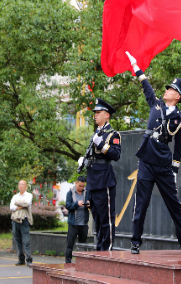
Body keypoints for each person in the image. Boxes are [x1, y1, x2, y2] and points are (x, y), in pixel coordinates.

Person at [124, 51, 181, 255]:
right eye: (167, 88)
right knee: (141, 203)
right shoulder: (156, 104)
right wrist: (136, 66)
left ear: (177, 96)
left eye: (171, 89)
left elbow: (179, 146)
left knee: (174, 204)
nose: (166, 90)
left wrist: (174, 170)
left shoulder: (180, 118)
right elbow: (145, 85)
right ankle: (135, 242)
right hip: (147, 161)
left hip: (164, 164)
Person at [78, 98, 121, 252]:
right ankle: (100, 247)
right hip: (93, 180)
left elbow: (116, 155)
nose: (95, 115)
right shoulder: (97, 133)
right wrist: (84, 161)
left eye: (99, 112)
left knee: (106, 217)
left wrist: (101, 144)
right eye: (95, 112)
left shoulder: (112, 134)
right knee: (97, 217)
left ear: (107, 115)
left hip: (104, 180)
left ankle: (107, 248)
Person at [64, 176, 91, 263]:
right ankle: (68, 262)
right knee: (70, 245)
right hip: (73, 224)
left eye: (83, 186)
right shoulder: (70, 193)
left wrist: (89, 204)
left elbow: (92, 203)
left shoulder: (87, 192)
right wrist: (76, 204)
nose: (81, 188)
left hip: (84, 223)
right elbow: (68, 206)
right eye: (80, 186)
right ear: (76, 183)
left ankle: (81, 263)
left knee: (82, 245)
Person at [10, 180, 34, 266]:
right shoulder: (15, 196)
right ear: (18, 186)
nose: (21, 186)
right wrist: (20, 206)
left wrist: (16, 204)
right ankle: (21, 259)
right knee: (17, 240)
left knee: (26, 241)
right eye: (20, 184)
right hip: (15, 219)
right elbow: (11, 207)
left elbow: (26, 204)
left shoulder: (29, 195)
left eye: (23, 184)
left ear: (26, 186)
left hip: (24, 220)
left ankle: (29, 259)